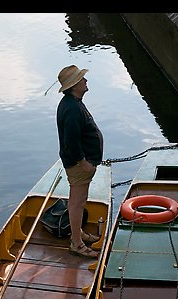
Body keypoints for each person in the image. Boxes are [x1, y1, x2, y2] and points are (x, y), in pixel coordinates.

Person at [56, 65, 103, 259]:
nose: (85, 81)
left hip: (80, 164)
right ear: (74, 85)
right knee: (77, 203)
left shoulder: (72, 102)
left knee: (77, 201)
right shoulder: (73, 109)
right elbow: (71, 142)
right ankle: (77, 243)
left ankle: (78, 233)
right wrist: (83, 163)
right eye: (82, 79)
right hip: (79, 165)